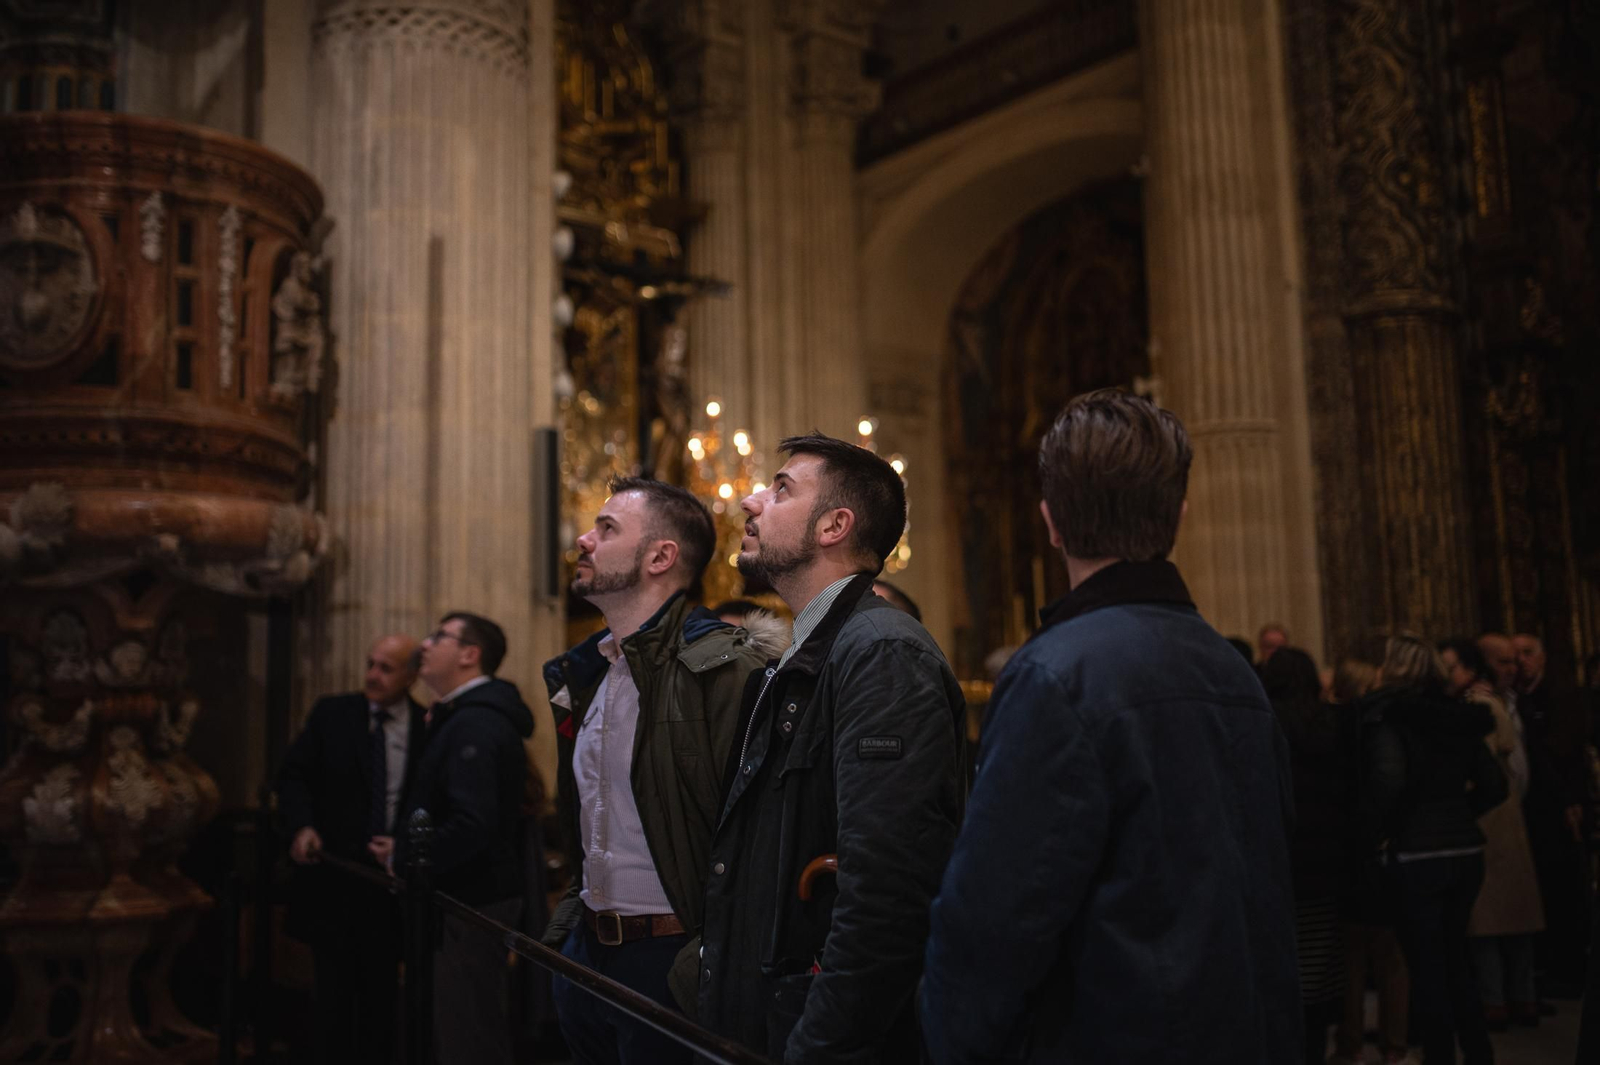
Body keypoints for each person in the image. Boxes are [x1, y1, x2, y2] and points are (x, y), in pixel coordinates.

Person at [919, 388, 1300, 1064]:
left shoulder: (1055, 675)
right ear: (1179, 514)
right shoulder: (1234, 671)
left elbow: (994, 923)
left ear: (1051, 521)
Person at [698, 432, 966, 1063]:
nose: (751, 502)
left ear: (834, 525)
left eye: (782, 488)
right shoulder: (810, 649)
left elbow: (886, 894)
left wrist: (818, 1043)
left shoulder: (880, 650)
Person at [538, 478, 782, 1064]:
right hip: (590, 949)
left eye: (606, 528)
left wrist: (707, 958)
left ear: (660, 557)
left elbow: (761, 831)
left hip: (672, 959)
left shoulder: (726, 668)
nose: (583, 539)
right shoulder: (588, 673)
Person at [276, 635, 426, 1065]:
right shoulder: (334, 714)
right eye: (370, 664)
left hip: (389, 885)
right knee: (332, 999)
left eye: (386, 668)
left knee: (382, 998)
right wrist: (301, 826)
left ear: (412, 676)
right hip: (334, 876)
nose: (373, 676)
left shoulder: (426, 724)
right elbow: (294, 776)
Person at [1362, 635, 1507, 1065]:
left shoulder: (1392, 717)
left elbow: (1387, 782)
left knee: (1425, 965)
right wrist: (1460, 816)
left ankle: (1439, 1056)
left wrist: (1380, 833)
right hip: (1464, 851)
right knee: (1457, 958)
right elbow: (1496, 785)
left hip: (1415, 852)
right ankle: (1479, 1052)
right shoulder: (1459, 718)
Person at [401, 612, 533, 1065]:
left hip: (471, 897)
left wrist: (408, 857)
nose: (425, 643)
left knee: (468, 1030)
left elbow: (472, 822)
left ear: (469, 654)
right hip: (465, 893)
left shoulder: (475, 722)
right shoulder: (462, 716)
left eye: (439, 636)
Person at [1440, 638, 1544, 1030]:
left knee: (1492, 919)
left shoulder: (1480, 707)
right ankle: (1518, 997)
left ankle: (1498, 1000)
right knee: (1509, 918)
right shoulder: (1485, 702)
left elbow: (1509, 767)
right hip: (1503, 820)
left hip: (1492, 820)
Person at [1263, 647, 1350, 1064]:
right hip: (1328, 859)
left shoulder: (1265, 721)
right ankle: (1315, 1047)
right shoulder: (1331, 721)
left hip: (1281, 859)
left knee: (1283, 961)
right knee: (1321, 966)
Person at [1327, 658, 1411, 1065]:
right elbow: (1387, 783)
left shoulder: (1329, 728)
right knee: (1389, 957)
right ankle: (1394, 1046)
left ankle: (1350, 1043)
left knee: (1351, 959)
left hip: (1342, 850)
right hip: (1373, 849)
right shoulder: (1378, 728)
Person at [1511, 632, 1591, 989]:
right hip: (1530, 809)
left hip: (1559, 804)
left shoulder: (1561, 698)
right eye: (1515, 656)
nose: (1521, 661)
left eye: (1528, 653)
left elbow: (1565, 753)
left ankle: (1570, 965)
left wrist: (1572, 801)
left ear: (1542, 658)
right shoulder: (1515, 700)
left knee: (1565, 886)